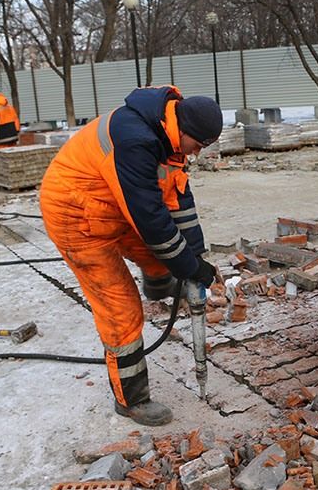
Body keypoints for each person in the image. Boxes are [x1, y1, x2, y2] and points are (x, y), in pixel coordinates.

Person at [40, 85, 223, 426]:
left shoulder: (167, 135)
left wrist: (197, 260)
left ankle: (158, 286)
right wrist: (189, 266)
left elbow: (178, 201)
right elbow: (152, 221)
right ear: (182, 130)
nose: (195, 154)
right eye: (196, 146)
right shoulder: (136, 140)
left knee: (162, 258)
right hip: (74, 216)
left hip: (113, 206)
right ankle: (131, 399)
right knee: (121, 311)